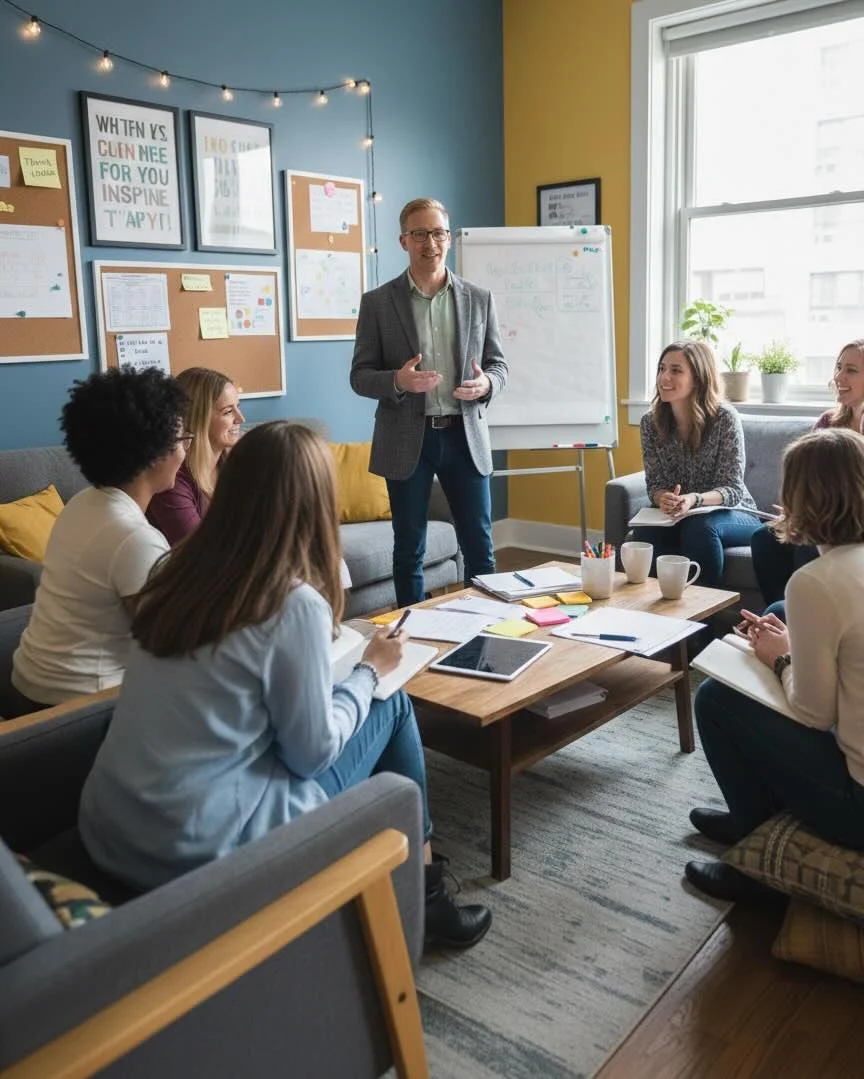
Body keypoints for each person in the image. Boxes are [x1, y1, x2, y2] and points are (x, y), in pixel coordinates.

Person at [79, 421, 492, 951]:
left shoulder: (174, 570)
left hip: (113, 830)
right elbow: (311, 756)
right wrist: (368, 673)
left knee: (339, 700)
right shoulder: (291, 603)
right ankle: (426, 896)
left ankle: (419, 885)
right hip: (198, 851)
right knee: (392, 700)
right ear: (315, 503)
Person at [686, 427, 864, 901]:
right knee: (779, 615)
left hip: (858, 804)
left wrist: (779, 656)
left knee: (715, 699)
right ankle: (757, 807)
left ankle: (758, 866)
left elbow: (813, 714)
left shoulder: (817, 581)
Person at [350, 197, 508, 607]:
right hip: (408, 440)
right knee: (409, 549)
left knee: (480, 545)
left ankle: (485, 628)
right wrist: (398, 380)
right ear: (404, 241)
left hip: (464, 436)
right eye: (419, 234)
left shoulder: (479, 297)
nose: (430, 242)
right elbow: (360, 376)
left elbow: (498, 365)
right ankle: (412, 637)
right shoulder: (378, 303)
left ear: (449, 239)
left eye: (437, 233)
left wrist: (486, 384)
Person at [9, 367, 188, 713]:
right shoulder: (134, 537)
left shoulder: (82, 503)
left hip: (28, 685)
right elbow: (169, 644)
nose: (184, 453)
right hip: (77, 707)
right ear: (154, 453)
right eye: (181, 441)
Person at [631, 339, 760, 588]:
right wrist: (664, 499)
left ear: (698, 379)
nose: (664, 377)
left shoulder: (724, 418)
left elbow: (732, 490)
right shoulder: (650, 423)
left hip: (735, 513)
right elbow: (655, 484)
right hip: (681, 512)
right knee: (645, 532)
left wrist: (693, 500)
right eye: (661, 368)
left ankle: (705, 619)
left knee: (698, 528)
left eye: (676, 370)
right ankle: (653, 615)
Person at [750, 339, 864, 606]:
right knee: (765, 537)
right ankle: (782, 612)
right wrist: (795, 510)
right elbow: (807, 478)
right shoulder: (828, 422)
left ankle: (799, 615)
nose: (839, 376)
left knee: (809, 539)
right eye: (838, 367)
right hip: (819, 516)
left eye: (851, 370)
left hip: (853, 525)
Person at [147, 367, 244, 546]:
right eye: (228, 412)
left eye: (238, 407)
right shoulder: (171, 482)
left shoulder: (239, 464)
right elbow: (200, 554)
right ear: (198, 419)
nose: (241, 419)